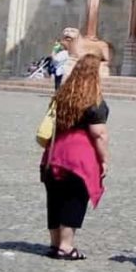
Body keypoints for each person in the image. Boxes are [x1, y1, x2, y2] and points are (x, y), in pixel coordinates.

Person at [40, 52, 109, 260]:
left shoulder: (63, 95)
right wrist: (105, 159)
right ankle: (66, 247)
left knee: (55, 198)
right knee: (74, 199)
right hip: (79, 157)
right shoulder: (94, 101)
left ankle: (54, 244)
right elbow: (99, 134)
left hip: (54, 154)